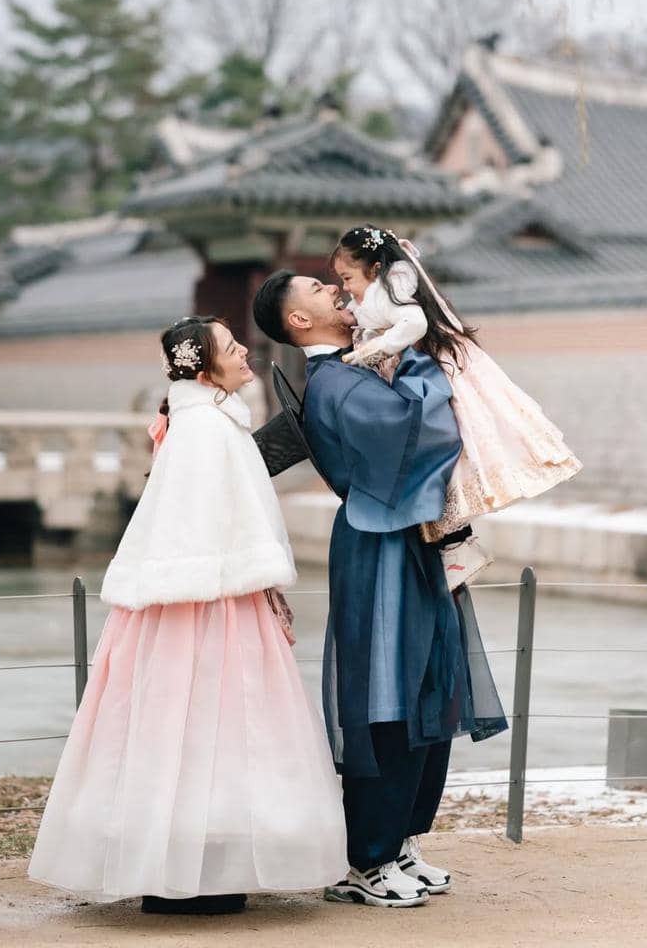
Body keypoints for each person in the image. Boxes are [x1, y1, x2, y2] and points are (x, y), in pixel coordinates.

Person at [28, 316, 348, 915]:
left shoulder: (207, 421)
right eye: (231, 348)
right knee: (216, 722)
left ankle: (191, 862)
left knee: (186, 727)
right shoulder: (205, 428)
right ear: (204, 369)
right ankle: (195, 869)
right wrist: (257, 578)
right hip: (210, 599)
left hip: (209, 593)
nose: (245, 354)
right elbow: (203, 520)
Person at [252, 273, 507, 909]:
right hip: (381, 538)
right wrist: (418, 351)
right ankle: (367, 856)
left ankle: (399, 840)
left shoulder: (356, 364)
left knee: (428, 683)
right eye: (317, 288)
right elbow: (412, 438)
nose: (335, 290)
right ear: (299, 323)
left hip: (407, 534)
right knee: (386, 692)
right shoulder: (336, 379)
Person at [331, 225, 582, 587]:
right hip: (434, 372)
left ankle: (459, 548)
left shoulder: (390, 289)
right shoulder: (385, 289)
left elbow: (413, 323)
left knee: (449, 460)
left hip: (438, 379)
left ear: (373, 269)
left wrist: (373, 350)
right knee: (451, 463)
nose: (344, 287)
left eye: (347, 277)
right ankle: (457, 547)